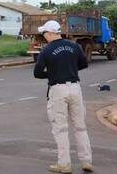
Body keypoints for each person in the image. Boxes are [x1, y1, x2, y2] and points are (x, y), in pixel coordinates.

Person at [33, 20, 93, 173]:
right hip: (75, 88)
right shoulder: (74, 46)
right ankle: (86, 161)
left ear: (51, 33)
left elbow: (37, 73)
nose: (44, 35)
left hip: (58, 89)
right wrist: (71, 69)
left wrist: (51, 73)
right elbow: (84, 64)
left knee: (60, 129)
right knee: (80, 126)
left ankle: (64, 164)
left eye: (45, 33)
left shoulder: (46, 51)